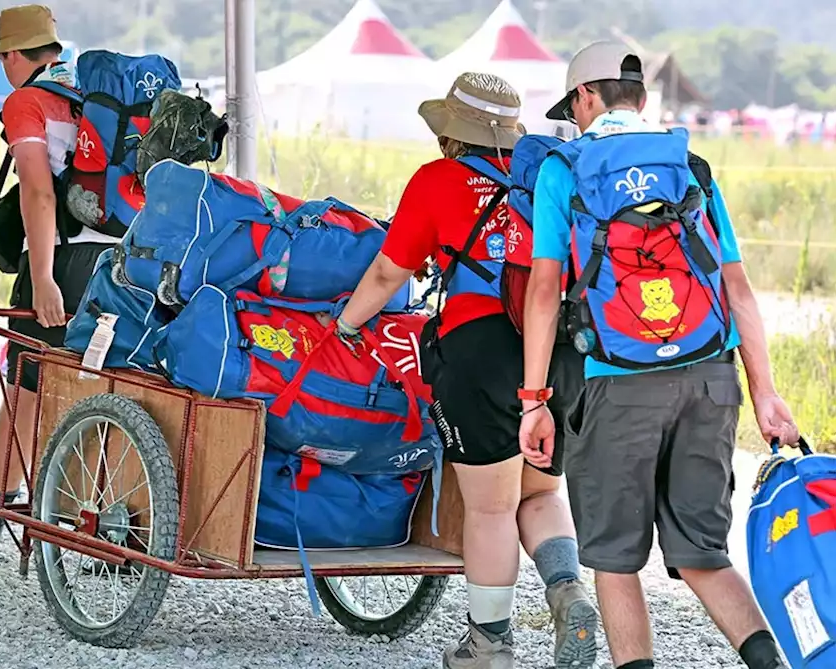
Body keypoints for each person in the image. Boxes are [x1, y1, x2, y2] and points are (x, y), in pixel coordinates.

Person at [519, 41, 798, 669]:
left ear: (586, 96)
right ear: (640, 98)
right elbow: (737, 287)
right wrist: (766, 393)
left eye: (575, 104)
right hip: (709, 378)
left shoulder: (563, 168)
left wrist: (534, 400)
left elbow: (543, 290)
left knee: (614, 561)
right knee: (703, 553)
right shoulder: (690, 166)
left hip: (617, 381)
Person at [335, 72, 597, 669]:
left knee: (489, 507)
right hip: (557, 349)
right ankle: (566, 592)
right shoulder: (550, 177)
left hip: (480, 351)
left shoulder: (437, 181)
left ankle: (490, 645)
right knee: (540, 490)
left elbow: (386, 274)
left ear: (453, 133)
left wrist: (347, 326)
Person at [0, 5, 117, 559]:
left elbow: (38, 193)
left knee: (26, 391)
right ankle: (107, 525)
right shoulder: (97, 98)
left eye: (2, 59)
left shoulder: (28, 101)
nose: (3, 70)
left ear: (15, 55)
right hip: (118, 264)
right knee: (97, 390)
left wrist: (41, 276)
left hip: (62, 262)